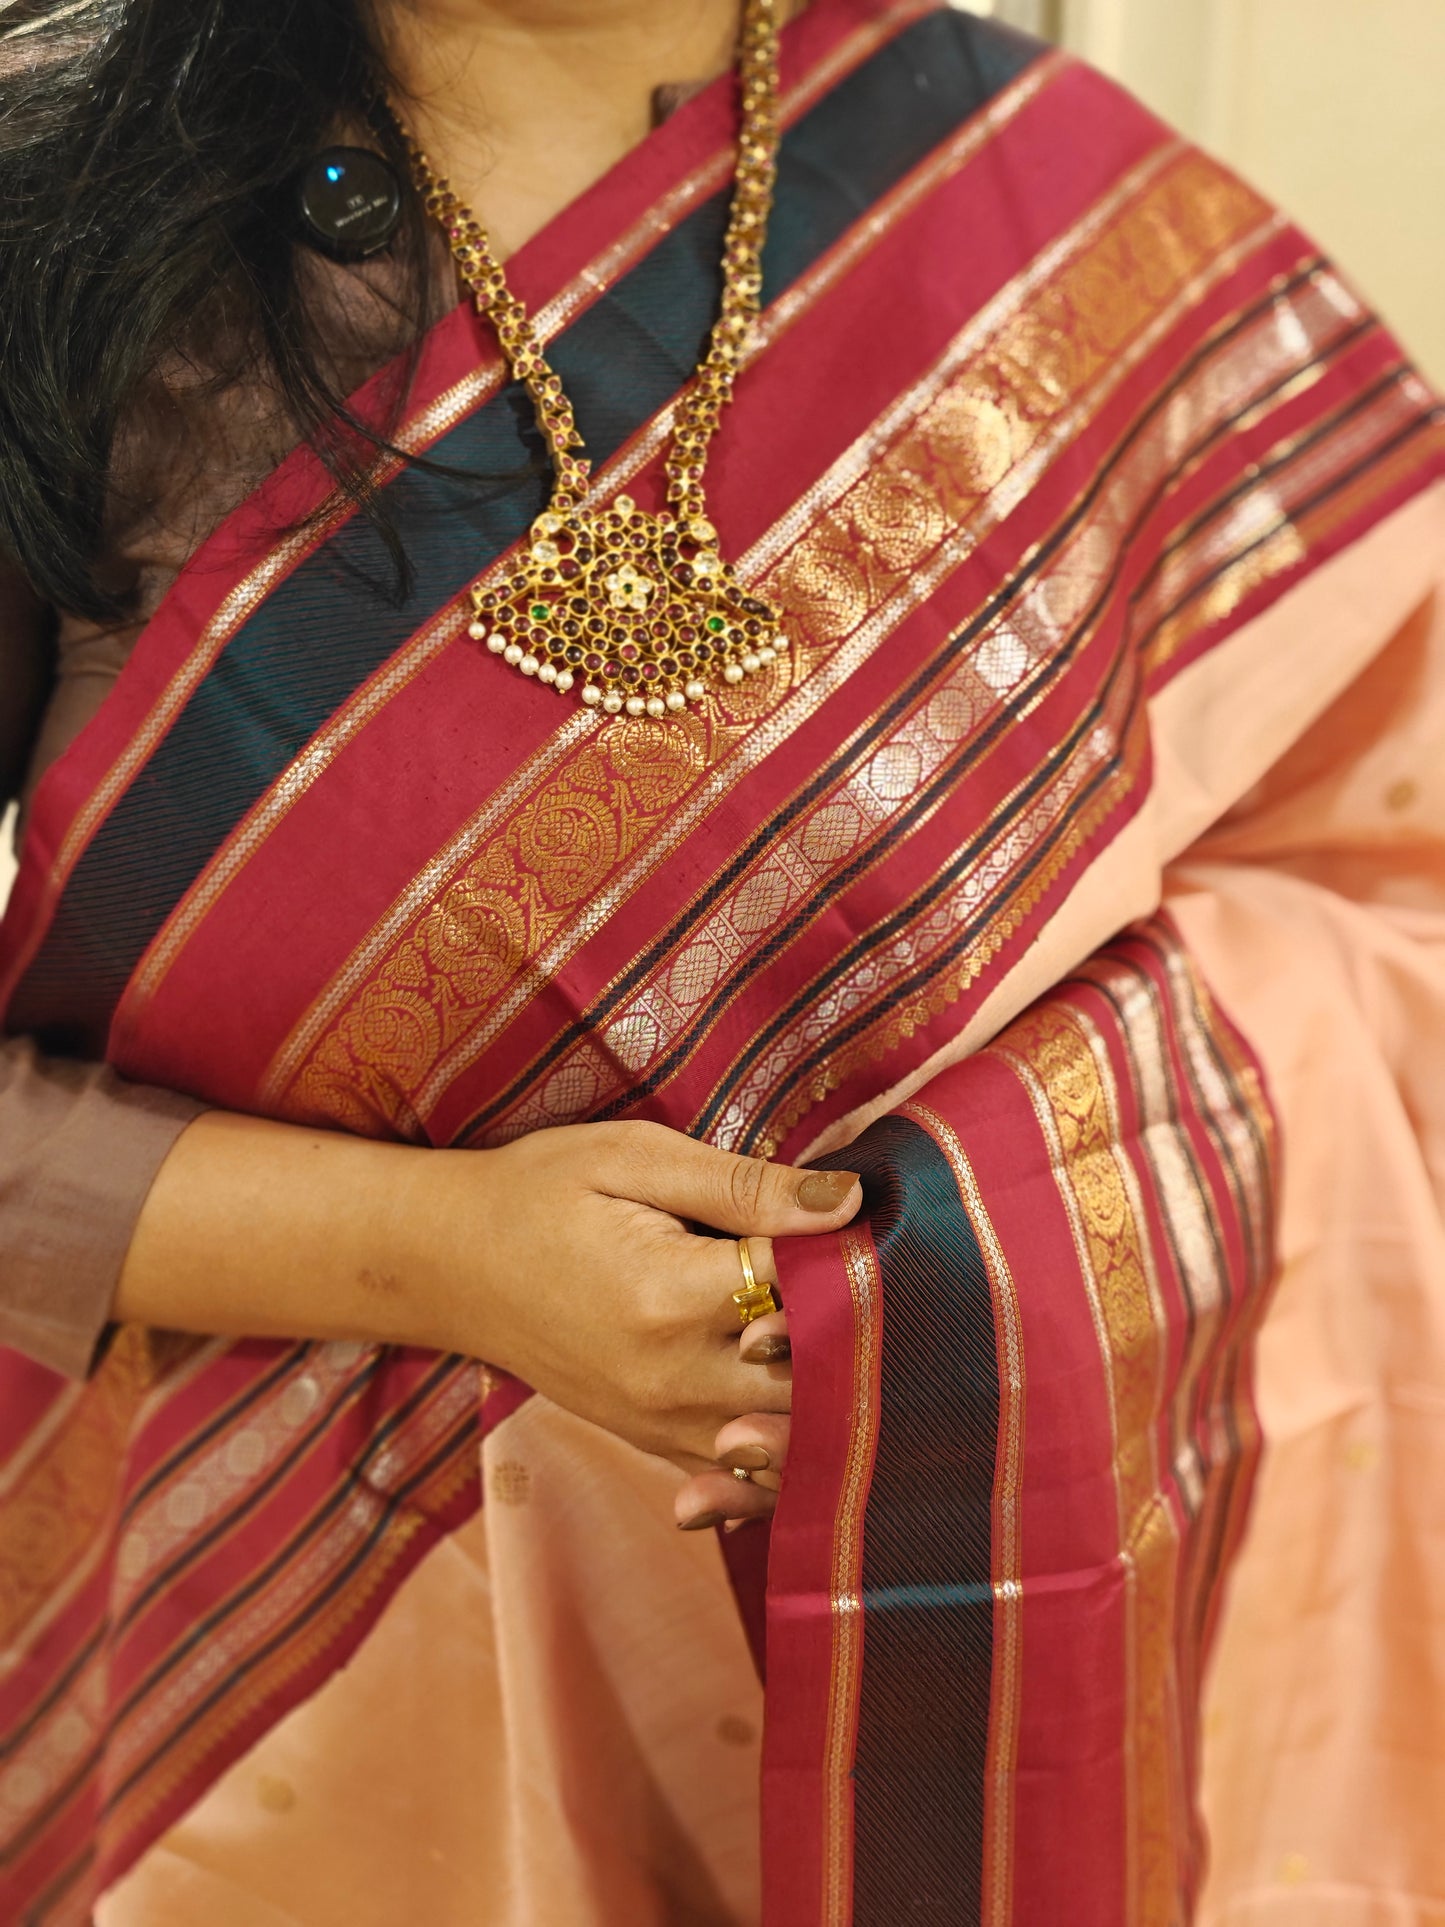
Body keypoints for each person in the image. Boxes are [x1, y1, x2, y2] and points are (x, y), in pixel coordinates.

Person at [1, 0, 1442, 1921]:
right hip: (270, 1677)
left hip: (969, 1597)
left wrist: (988, 1232)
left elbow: (1381, 903)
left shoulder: (1039, 194)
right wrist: (452, 1259)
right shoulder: (82, 255)